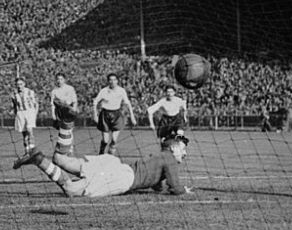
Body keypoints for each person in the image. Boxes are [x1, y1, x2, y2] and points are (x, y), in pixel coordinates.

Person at [13, 131, 193, 198]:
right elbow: (175, 187)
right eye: (183, 149)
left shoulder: (160, 156)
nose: (184, 154)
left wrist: (158, 185)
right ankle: (38, 160)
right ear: (173, 148)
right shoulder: (169, 159)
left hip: (116, 165)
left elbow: (156, 184)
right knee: (71, 190)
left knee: (61, 160)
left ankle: (66, 126)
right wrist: (184, 190)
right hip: (122, 179)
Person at [92, 73, 136, 155]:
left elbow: (128, 103)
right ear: (108, 81)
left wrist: (132, 117)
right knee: (105, 140)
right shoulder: (104, 91)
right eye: (110, 80)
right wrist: (95, 115)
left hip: (117, 115)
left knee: (114, 140)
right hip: (105, 115)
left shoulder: (121, 90)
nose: (112, 82)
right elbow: (95, 102)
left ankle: (110, 155)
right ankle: (101, 152)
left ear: (117, 81)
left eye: (114, 80)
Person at [49, 73, 79, 156]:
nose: (59, 81)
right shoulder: (54, 91)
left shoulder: (70, 88)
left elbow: (74, 101)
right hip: (59, 112)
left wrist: (74, 110)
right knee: (61, 131)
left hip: (68, 111)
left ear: (64, 80)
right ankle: (63, 147)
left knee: (69, 130)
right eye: (58, 79)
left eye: (61, 79)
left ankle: (70, 148)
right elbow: (52, 104)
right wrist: (53, 115)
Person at [11, 77, 38, 154]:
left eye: (21, 84)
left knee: (30, 130)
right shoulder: (14, 95)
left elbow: (36, 103)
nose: (19, 86)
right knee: (24, 134)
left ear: (24, 84)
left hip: (29, 112)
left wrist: (35, 113)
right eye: (17, 84)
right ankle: (27, 151)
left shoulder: (30, 92)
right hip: (20, 113)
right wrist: (16, 114)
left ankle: (32, 150)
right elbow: (14, 105)